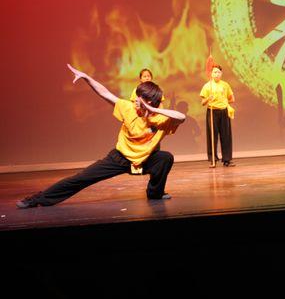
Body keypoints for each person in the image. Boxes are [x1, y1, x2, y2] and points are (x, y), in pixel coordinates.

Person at [16, 64, 185, 209]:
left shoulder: (161, 119)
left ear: (149, 102)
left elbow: (181, 117)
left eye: (139, 99)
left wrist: (152, 110)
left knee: (165, 158)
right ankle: (38, 199)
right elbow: (105, 93)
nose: (135, 101)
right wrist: (87, 77)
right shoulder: (127, 108)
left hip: (146, 159)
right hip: (120, 158)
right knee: (81, 178)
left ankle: (155, 193)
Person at [200, 65, 236, 166]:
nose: (216, 74)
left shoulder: (225, 85)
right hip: (212, 111)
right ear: (211, 74)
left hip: (224, 111)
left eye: (218, 72)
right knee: (212, 136)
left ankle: (227, 159)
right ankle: (213, 159)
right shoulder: (207, 86)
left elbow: (232, 99)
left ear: (221, 73)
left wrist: (224, 101)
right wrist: (208, 99)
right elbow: (203, 102)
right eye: (214, 72)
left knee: (226, 136)